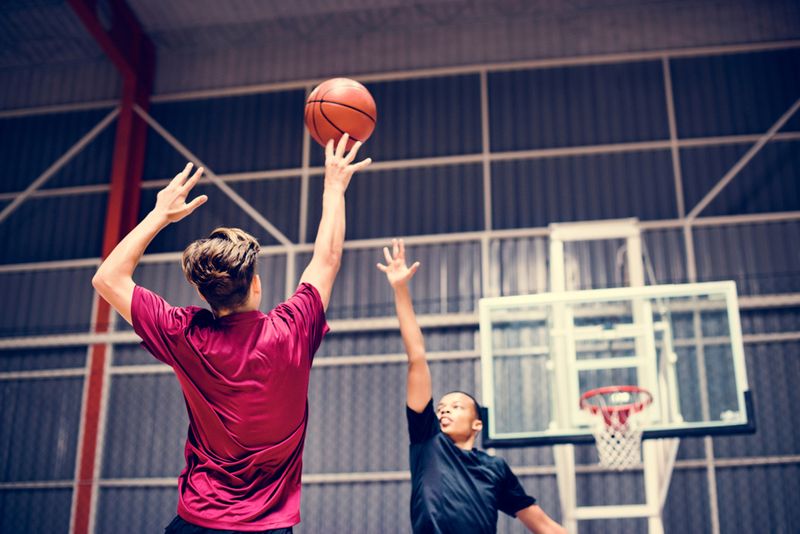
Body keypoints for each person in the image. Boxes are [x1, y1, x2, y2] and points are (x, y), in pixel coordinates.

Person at [92, 134, 370, 533]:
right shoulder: (292, 329)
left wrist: (159, 214)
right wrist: (334, 184)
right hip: (267, 526)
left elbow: (108, 278)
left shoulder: (185, 333)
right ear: (255, 284)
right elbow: (327, 258)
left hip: (198, 520)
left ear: (203, 293)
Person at [377, 239, 567, 534]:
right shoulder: (428, 441)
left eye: (456, 406)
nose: (444, 411)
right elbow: (417, 357)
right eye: (441, 407)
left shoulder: (495, 469)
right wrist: (400, 289)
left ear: (477, 423)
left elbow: (542, 524)